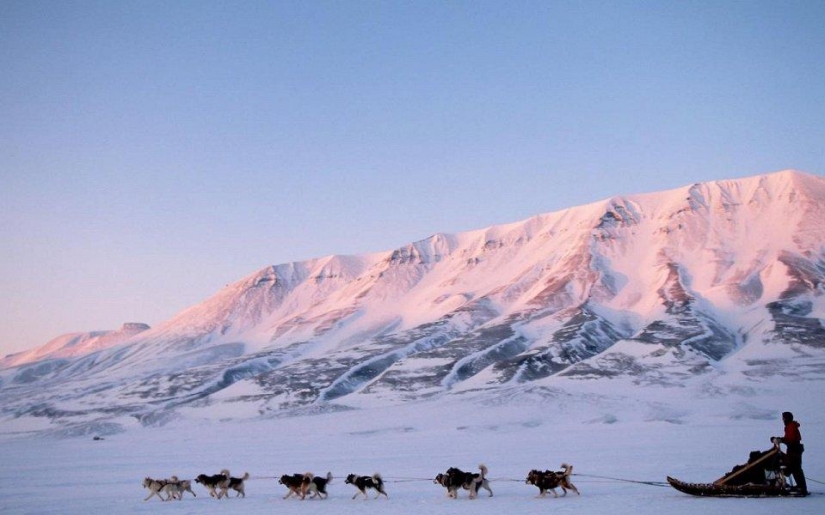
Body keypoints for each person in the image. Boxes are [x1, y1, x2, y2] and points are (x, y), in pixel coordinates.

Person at [779, 411, 808, 496]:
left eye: (784, 418)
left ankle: (801, 488)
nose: (783, 420)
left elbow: (790, 439)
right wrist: (781, 439)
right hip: (794, 449)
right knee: (796, 468)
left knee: (796, 468)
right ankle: (801, 486)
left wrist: (781, 440)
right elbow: (788, 438)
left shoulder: (791, 426)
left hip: (794, 450)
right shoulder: (789, 426)